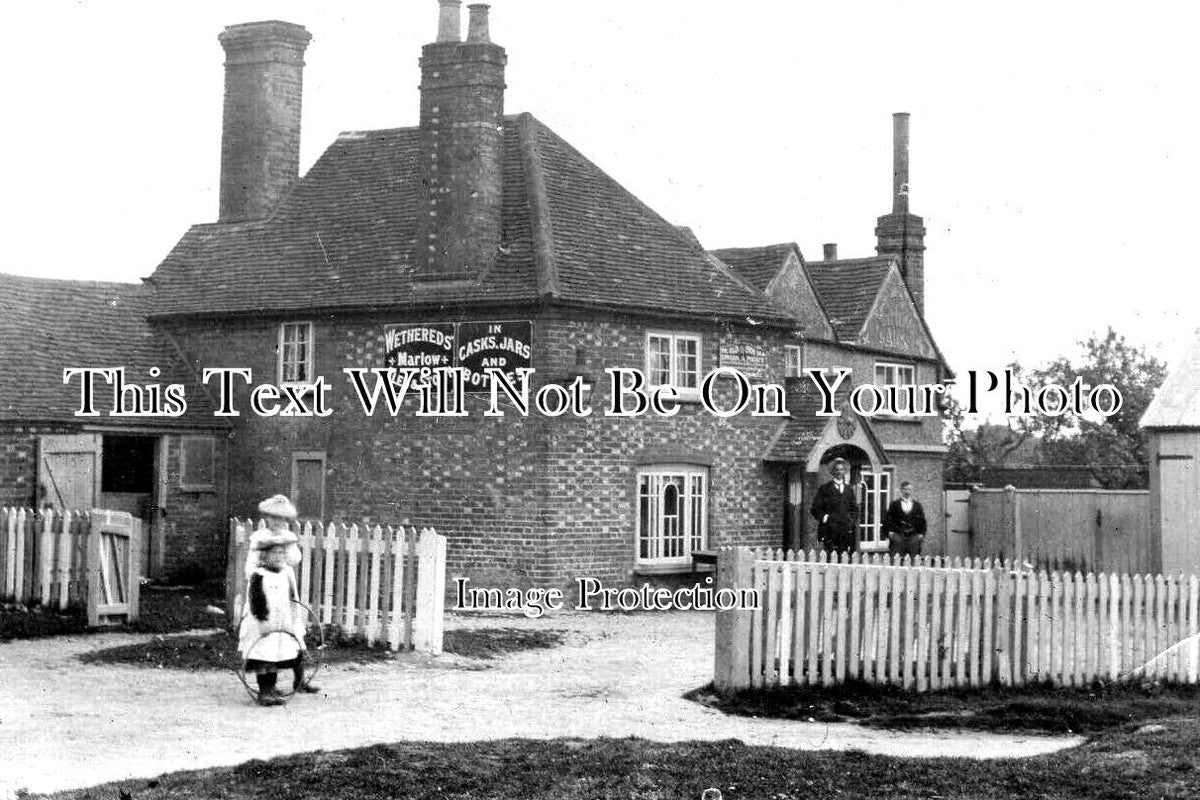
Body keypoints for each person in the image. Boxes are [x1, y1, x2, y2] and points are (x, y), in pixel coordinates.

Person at [239, 535, 319, 705]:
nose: (277, 557)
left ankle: (271, 689)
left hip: (280, 624)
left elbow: (289, 600)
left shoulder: (284, 574)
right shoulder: (258, 575)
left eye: (281, 554)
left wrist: (289, 624)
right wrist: (263, 623)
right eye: (273, 554)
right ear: (263, 556)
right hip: (263, 624)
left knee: (275, 657)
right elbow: (256, 602)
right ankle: (264, 693)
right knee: (264, 658)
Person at [810, 458, 858, 554]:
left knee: (844, 554)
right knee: (830, 554)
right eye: (836, 470)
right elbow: (815, 508)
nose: (839, 472)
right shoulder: (825, 488)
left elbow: (854, 508)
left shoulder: (849, 489)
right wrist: (825, 517)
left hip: (845, 528)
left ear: (844, 471)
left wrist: (851, 520)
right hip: (830, 528)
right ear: (832, 471)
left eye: (841, 470)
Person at [883, 481, 927, 556]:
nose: (907, 492)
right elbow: (887, 520)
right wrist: (889, 532)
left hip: (913, 536)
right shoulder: (894, 504)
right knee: (896, 559)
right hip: (898, 535)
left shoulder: (917, 505)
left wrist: (921, 534)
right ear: (901, 490)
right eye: (905, 489)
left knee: (913, 559)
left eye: (909, 490)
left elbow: (922, 521)